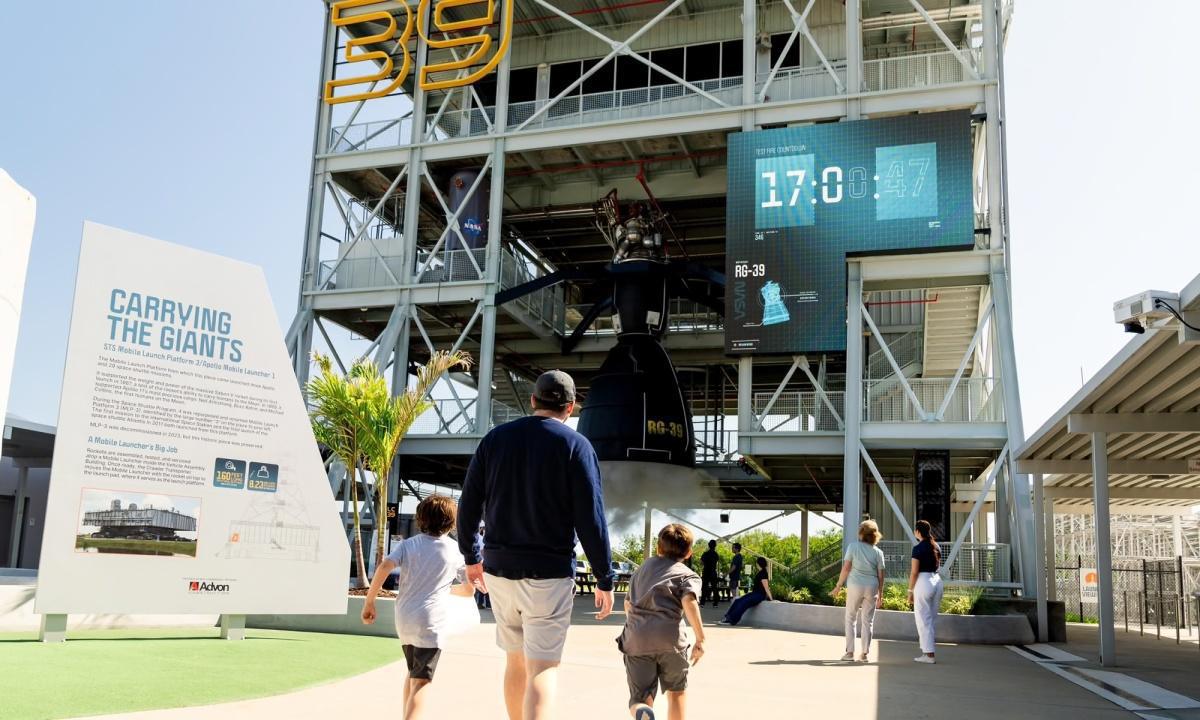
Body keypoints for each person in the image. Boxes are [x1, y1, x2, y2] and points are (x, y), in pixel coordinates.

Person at [457, 369, 615, 720]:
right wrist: (604, 577)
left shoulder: (495, 439)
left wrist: (471, 556)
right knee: (543, 667)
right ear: (571, 408)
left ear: (532, 400)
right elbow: (590, 517)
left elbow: (469, 502)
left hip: (498, 570)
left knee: (515, 661)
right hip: (549, 573)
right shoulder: (576, 446)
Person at [362, 495, 476, 720]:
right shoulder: (454, 550)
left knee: (413, 674)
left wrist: (369, 601)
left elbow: (385, 566)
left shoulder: (409, 544)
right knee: (422, 682)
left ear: (420, 518)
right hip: (431, 622)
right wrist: (443, 589)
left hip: (404, 619)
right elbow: (469, 590)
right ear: (452, 523)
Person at [618, 523, 706, 720]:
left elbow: (628, 605)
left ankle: (643, 710)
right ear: (689, 552)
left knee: (640, 696)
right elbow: (689, 601)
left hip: (637, 640)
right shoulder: (687, 574)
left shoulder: (641, 571)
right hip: (671, 641)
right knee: (677, 693)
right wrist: (701, 639)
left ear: (659, 548)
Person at [829, 520, 886, 662]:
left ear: (861, 533)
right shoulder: (878, 552)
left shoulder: (853, 547)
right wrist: (880, 593)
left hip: (855, 585)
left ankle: (849, 653)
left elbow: (846, 568)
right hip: (872, 586)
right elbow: (881, 575)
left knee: (850, 618)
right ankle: (865, 654)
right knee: (868, 621)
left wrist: (838, 585)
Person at [908, 519, 944, 664]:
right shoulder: (936, 546)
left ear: (917, 531)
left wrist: (910, 590)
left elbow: (914, 572)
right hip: (937, 581)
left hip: (923, 582)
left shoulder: (917, 548)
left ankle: (929, 655)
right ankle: (927, 651)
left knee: (923, 620)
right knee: (931, 619)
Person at [718, 557, 772, 625]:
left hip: (759, 595)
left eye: (756, 562)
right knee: (738, 601)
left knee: (743, 603)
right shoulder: (761, 572)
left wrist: (771, 599)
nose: (756, 564)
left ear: (758, 564)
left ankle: (732, 620)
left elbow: (766, 588)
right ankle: (727, 617)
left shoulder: (763, 573)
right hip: (755, 593)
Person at [699, 540, 719, 608]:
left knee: (704, 587)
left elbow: (701, 563)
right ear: (715, 546)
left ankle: (702, 603)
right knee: (714, 588)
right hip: (713, 572)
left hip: (706, 572)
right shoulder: (716, 554)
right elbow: (717, 562)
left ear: (708, 545)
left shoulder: (705, 554)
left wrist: (705, 563)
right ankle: (715, 603)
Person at [474, 524, 490, 610]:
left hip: (477, 562)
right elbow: (482, 551)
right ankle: (482, 603)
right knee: (484, 583)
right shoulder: (480, 538)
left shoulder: (477, 538)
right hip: (483, 562)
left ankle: (484, 603)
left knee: (481, 582)